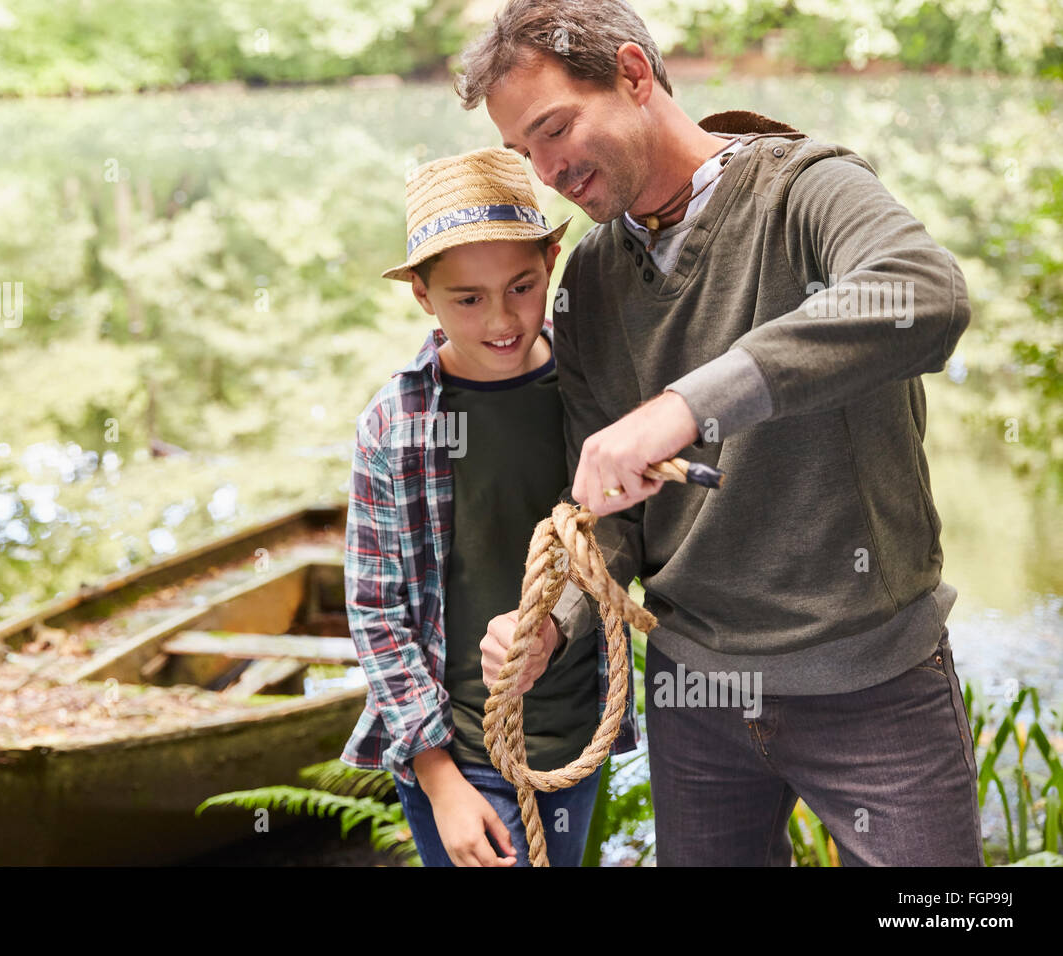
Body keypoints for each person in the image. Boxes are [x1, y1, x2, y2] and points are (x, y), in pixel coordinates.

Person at [457, 0, 984, 866]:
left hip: (872, 683)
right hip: (694, 686)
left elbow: (923, 296)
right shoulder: (587, 279)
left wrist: (685, 406)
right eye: (524, 151)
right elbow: (607, 513)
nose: (547, 171)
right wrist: (553, 619)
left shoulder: (806, 191)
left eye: (555, 128)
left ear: (633, 75)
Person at [338, 146, 637, 867]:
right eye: (467, 298)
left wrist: (553, 630)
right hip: (461, 748)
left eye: (522, 286)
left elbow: (621, 540)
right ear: (421, 293)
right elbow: (377, 613)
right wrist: (440, 782)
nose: (502, 319)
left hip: (574, 734)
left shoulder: (592, 393)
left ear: (552, 261)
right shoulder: (395, 425)